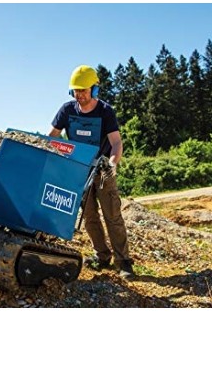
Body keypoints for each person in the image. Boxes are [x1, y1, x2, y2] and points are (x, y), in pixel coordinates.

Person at [48, 64, 135, 279]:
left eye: (83, 90)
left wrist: (112, 164)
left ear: (94, 89)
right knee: (89, 216)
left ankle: (124, 262)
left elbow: (116, 142)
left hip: (103, 170)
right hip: (80, 170)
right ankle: (102, 256)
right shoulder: (67, 110)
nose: (79, 95)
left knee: (112, 215)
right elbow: (51, 137)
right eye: (76, 91)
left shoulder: (105, 111)